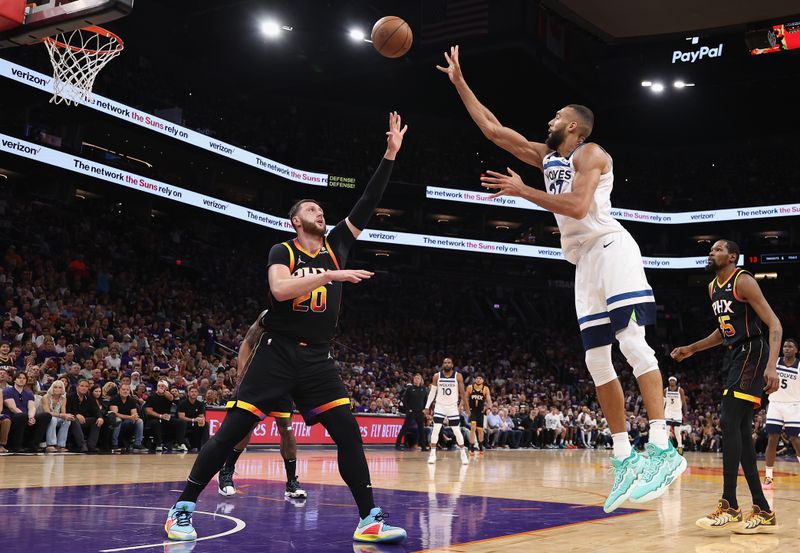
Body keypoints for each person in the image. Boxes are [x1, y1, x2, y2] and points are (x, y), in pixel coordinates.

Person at [437, 45, 685, 512]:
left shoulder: (590, 153)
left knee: (632, 345)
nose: (547, 121)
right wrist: (459, 82)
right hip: (583, 262)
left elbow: (575, 207)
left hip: (612, 248)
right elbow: (494, 131)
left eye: (555, 116)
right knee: (596, 362)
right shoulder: (548, 157)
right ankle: (623, 456)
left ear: (572, 125)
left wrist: (519, 190)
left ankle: (662, 448)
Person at [165, 113, 409, 544]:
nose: (320, 212)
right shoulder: (284, 249)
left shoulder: (337, 245)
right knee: (231, 433)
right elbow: (279, 291)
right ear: (296, 221)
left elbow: (367, 202)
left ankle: (368, 518)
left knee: (349, 435)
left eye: (321, 209)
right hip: (277, 353)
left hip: (317, 358)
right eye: (311, 209)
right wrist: (329, 277)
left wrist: (389, 155)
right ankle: (181, 509)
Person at [671, 239, 781, 534]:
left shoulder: (742, 281)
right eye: (711, 249)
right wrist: (693, 348)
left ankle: (730, 504)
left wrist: (772, 366)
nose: (712, 252)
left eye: (718, 249)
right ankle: (762, 508)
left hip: (754, 352)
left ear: (732, 256)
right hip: (735, 354)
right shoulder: (712, 288)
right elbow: (724, 331)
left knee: (729, 420)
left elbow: (775, 324)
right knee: (741, 430)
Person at [215, 312, 306, 501]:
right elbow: (247, 342)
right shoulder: (269, 314)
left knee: (286, 429)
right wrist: (241, 375)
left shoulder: (306, 319)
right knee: (246, 427)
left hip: (284, 380)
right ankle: (226, 472)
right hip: (258, 379)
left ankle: (291, 482)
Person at [762, 338, 800, 490]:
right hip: (776, 404)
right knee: (772, 440)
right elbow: (765, 378)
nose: (787, 348)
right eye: (785, 346)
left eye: (790, 346)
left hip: (794, 406)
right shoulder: (775, 363)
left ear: (796, 350)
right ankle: (769, 477)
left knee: (795, 440)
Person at [425, 357, 470, 465]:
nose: (447, 364)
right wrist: (427, 407)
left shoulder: (458, 376)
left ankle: (463, 454)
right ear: (442, 364)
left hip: (452, 407)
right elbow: (432, 393)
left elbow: (463, 393)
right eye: (445, 362)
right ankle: (432, 454)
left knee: (456, 430)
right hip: (440, 406)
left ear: (452, 365)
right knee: (436, 429)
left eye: (449, 362)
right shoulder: (437, 376)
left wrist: (467, 408)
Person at [2, 372, 51, 452]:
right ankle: (16, 446)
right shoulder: (8, 391)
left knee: (46, 415)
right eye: (19, 378)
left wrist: (31, 417)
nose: (22, 380)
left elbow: (31, 407)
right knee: (21, 416)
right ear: (14, 380)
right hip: (14, 417)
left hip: (26, 417)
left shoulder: (28, 394)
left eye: (24, 378)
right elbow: (12, 408)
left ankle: (33, 445)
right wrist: (26, 417)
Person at [395, 373, 428, 451]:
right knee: (404, 428)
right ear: (413, 380)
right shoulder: (410, 389)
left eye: (418, 378)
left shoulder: (424, 389)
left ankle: (423, 446)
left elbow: (426, 401)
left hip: (420, 412)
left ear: (421, 380)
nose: (416, 380)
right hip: (411, 412)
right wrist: (408, 409)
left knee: (421, 430)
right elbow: (404, 400)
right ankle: (397, 445)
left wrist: (425, 409)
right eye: (415, 378)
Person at [109, 383, 145, 452]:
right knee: (118, 419)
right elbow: (115, 414)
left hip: (126, 422)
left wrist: (135, 417)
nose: (125, 391)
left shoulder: (131, 400)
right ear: (119, 390)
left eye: (127, 390)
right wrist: (130, 417)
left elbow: (134, 414)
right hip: (114, 422)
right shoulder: (114, 399)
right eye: (123, 389)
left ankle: (137, 443)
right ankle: (114, 444)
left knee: (139, 421)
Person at [41, 379, 74, 452]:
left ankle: (60, 445)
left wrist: (67, 416)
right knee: (53, 419)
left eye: (60, 387)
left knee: (67, 421)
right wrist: (62, 415)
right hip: (45, 418)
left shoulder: (63, 398)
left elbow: (63, 413)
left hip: (56, 417)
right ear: (52, 388)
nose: (57, 389)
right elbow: (47, 412)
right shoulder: (45, 397)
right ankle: (50, 445)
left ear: (63, 389)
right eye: (55, 387)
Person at [465, 374, 492, 454]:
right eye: (477, 378)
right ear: (475, 379)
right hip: (472, 410)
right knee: (473, 427)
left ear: (483, 380)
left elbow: (489, 400)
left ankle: (480, 445)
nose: (478, 380)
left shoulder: (485, 389)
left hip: (480, 412)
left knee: (480, 430)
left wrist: (489, 408)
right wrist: (465, 408)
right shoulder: (470, 387)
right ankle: (472, 447)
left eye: (480, 378)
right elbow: (465, 399)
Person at [664, 376, 688, 454]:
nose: (672, 382)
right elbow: (663, 402)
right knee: (667, 430)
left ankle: (680, 447)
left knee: (677, 432)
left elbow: (684, 402)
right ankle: (666, 448)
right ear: (668, 382)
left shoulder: (680, 390)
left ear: (676, 382)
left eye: (673, 380)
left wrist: (685, 412)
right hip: (668, 412)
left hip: (677, 412)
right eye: (670, 380)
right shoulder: (665, 390)